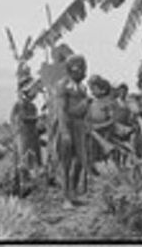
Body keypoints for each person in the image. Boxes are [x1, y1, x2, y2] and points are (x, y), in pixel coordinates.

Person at [55, 54, 91, 208]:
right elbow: (61, 110)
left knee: (80, 161)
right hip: (68, 124)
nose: (84, 72)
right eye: (82, 68)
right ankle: (66, 198)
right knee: (66, 163)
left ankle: (74, 193)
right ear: (74, 69)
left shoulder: (82, 87)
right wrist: (64, 132)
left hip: (80, 126)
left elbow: (84, 110)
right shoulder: (63, 85)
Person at [10, 75, 43, 197]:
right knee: (22, 160)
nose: (35, 94)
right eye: (33, 90)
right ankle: (20, 186)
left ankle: (27, 185)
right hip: (22, 135)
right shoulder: (19, 105)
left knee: (31, 160)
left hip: (32, 135)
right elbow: (21, 119)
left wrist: (40, 126)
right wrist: (37, 119)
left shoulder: (32, 106)